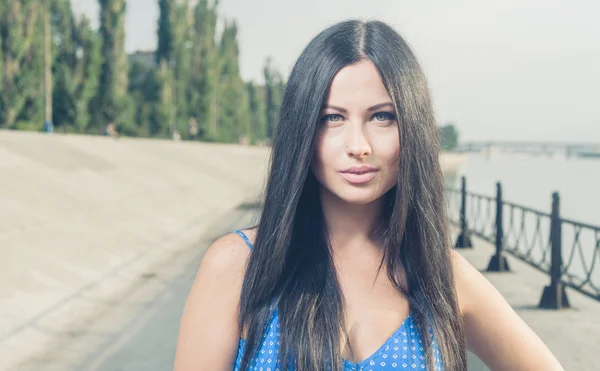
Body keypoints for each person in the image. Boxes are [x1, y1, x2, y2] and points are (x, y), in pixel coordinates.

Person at [173, 20, 563, 371]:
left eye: (382, 117)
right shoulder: (237, 265)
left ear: (412, 127)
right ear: (302, 130)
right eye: (332, 118)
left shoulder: (444, 276)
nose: (358, 145)